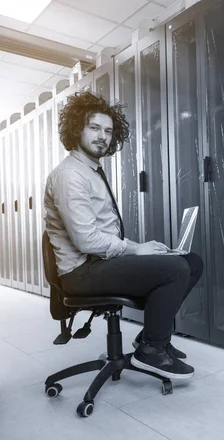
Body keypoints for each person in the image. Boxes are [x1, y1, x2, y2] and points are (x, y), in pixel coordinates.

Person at [44, 91, 202, 380]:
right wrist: (137, 251)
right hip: (81, 271)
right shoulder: (70, 175)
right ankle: (152, 351)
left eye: (108, 130)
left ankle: (152, 339)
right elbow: (86, 240)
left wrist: (140, 247)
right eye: (94, 128)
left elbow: (102, 234)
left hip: (97, 263)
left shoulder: (91, 170)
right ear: (77, 128)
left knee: (190, 261)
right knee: (175, 269)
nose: (102, 136)